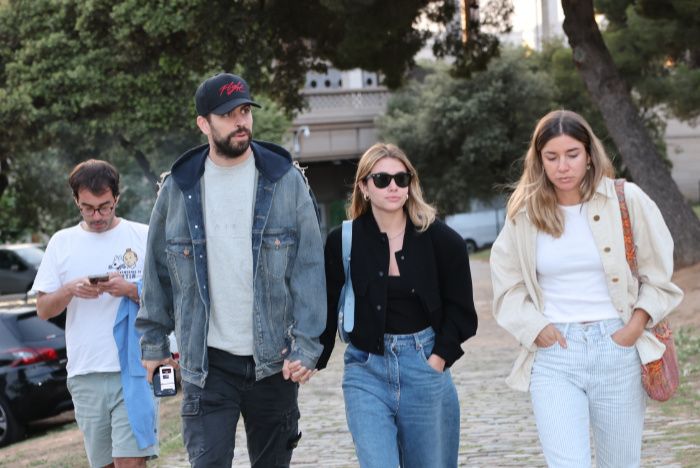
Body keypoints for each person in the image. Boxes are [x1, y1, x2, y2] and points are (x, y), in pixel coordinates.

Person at [135, 72, 326, 467]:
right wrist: (154, 344)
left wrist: (307, 346)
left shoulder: (286, 181)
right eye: (227, 114)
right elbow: (156, 272)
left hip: (274, 361)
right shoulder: (178, 188)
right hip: (207, 365)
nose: (241, 121)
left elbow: (309, 268)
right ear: (204, 124)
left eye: (244, 111)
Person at [490, 110, 684, 467]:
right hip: (555, 355)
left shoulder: (627, 200)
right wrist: (538, 329)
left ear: (589, 154)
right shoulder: (525, 213)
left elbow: (659, 277)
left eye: (572, 154)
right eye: (552, 157)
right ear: (540, 161)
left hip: (617, 349)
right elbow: (507, 286)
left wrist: (634, 327)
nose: (563, 166)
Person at [317, 143, 478, 468]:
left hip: (424, 365)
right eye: (382, 179)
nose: (393, 186)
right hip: (366, 371)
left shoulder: (443, 241)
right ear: (363, 186)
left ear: (410, 184)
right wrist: (308, 358)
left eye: (401, 179)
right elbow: (327, 308)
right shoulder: (342, 241)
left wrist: (438, 358)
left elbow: (462, 311)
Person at [33, 160, 158, 467]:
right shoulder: (62, 243)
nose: (97, 216)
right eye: (88, 208)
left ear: (117, 197)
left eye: (104, 207)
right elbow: (43, 309)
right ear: (76, 201)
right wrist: (70, 290)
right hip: (85, 372)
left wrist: (130, 290)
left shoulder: (142, 235)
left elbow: (171, 297)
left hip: (134, 368)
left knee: (130, 462)